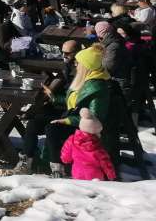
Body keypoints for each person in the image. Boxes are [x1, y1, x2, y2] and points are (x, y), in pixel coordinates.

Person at [43, 45, 111, 178]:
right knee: (37, 119)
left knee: (52, 128)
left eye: (78, 62)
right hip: (72, 116)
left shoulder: (97, 87)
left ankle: (58, 168)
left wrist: (67, 120)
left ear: (86, 65)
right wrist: (54, 98)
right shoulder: (87, 80)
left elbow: (95, 119)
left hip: (86, 129)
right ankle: (28, 159)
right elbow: (74, 103)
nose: (75, 63)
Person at [17, 40, 80, 172]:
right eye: (62, 52)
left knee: (51, 128)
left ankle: (56, 167)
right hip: (58, 108)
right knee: (33, 124)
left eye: (67, 53)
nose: (64, 56)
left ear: (77, 53)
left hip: (73, 114)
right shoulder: (68, 66)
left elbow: (77, 100)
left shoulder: (82, 71)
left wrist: (53, 97)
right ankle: (26, 161)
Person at [60, 107, 116, 181]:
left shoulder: (72, 140)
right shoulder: (97, 145)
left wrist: (66, 160)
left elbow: (65, 158)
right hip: (95, 176)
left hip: (77, 174)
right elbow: (105, 162)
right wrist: (111, 175)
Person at [95, 21, 131, 97]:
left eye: (99, 36)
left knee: (121, 103)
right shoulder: (114, 39)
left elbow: (108, 66)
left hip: (119, 81)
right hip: (119, 78)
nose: (99, 39)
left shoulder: (113, 46)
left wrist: (95, 65)